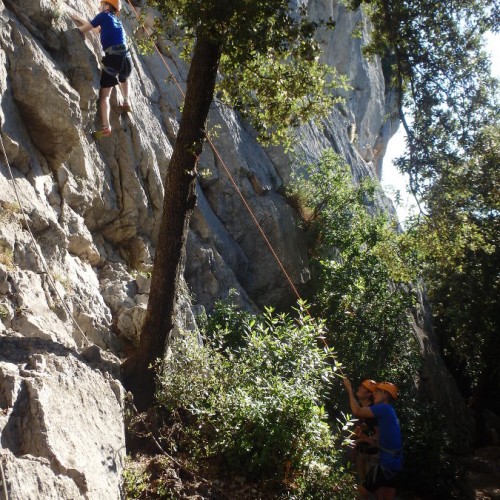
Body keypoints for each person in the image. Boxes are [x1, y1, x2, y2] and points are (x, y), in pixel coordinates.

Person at [70, 0, 132, 139]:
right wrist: (80, 19)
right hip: (127, 60)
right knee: (124, 77)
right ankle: (126, 100)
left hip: (113, 59)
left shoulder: (103, 15)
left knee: (105, 96)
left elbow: (83, 30)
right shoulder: (117, 22)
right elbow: (98, 30)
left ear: (107, 6)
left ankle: (106, 127)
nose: (99, 6)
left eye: (102, 4)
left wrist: (76, 25)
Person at [344, 378, 403, 500]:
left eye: (378, 392)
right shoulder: (390, 412)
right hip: (396, 462)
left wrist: (349, 389)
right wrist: (364, 438)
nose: (374, 394)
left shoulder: (384, 408)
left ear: (385, 395)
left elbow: (357, 411)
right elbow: (382, 440)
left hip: (387, 462)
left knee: (361, 492)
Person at [351, 379, 379, 493]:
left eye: (363, 388)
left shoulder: (373, 412)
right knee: (363, 484)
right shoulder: (365, 409)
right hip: (364, 452)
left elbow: (378, 438)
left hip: (374, 455)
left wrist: (362, 439)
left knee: (370, 489)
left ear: (369, 394)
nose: (359, 388)